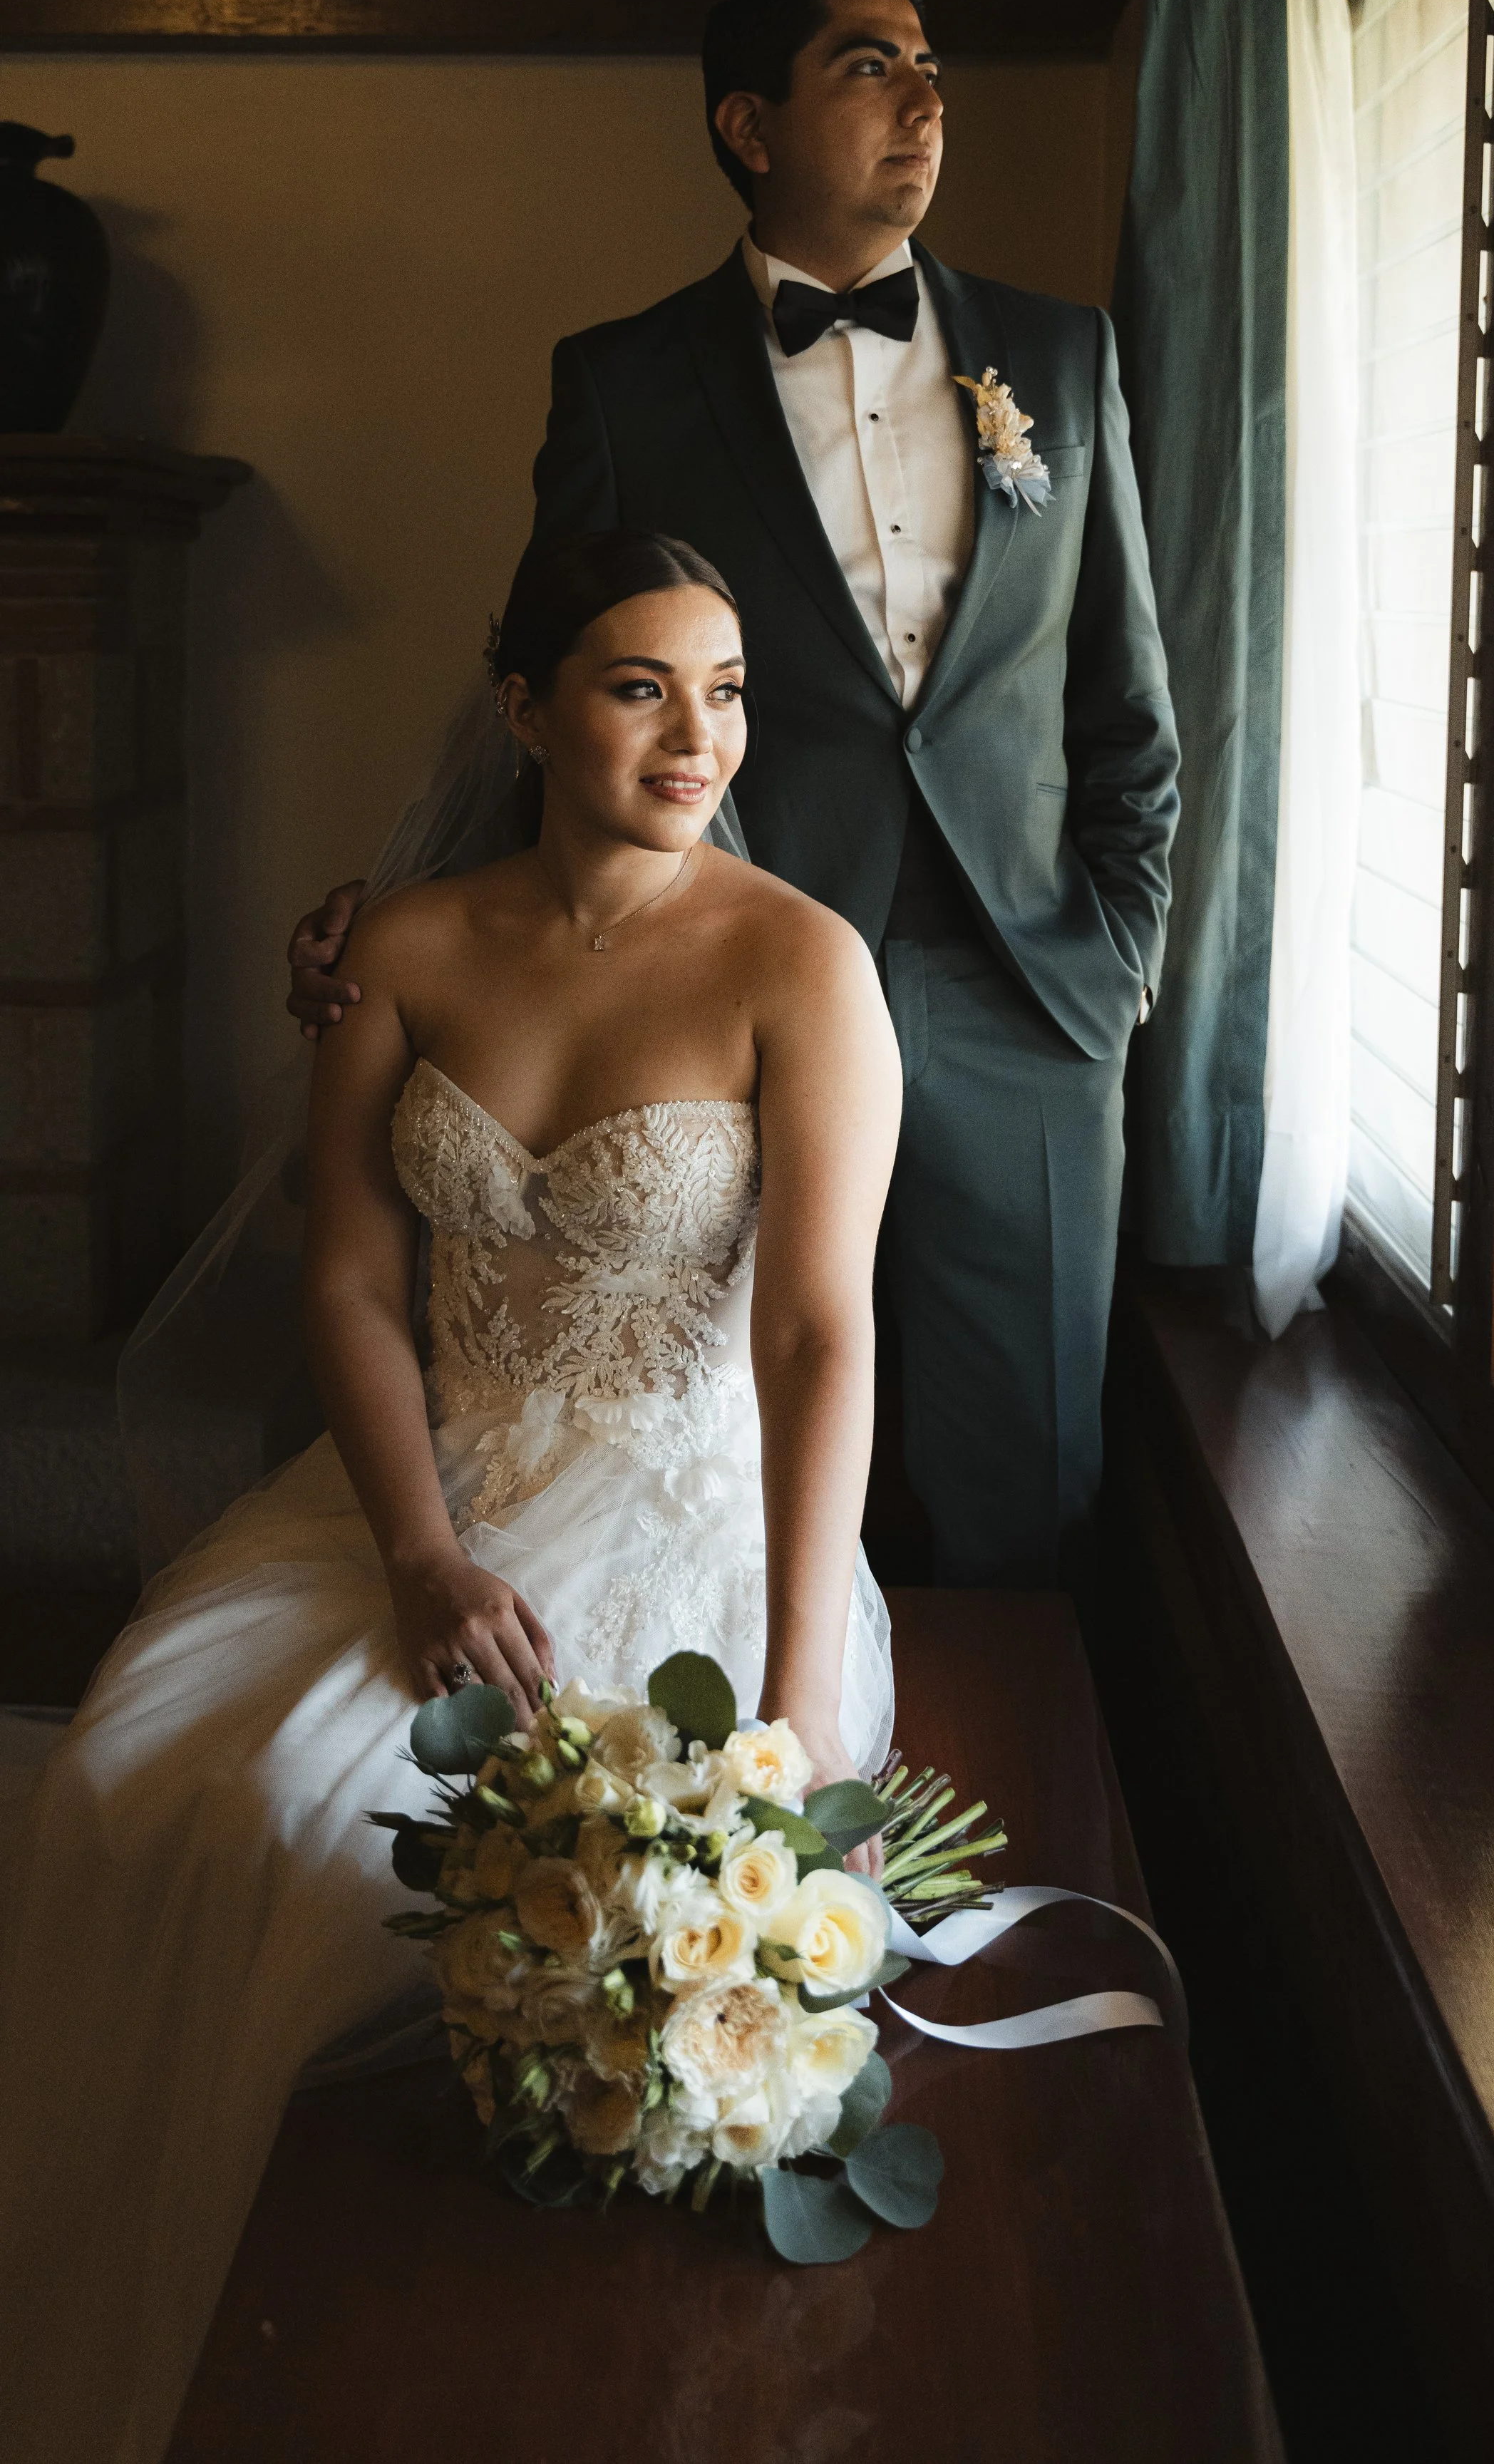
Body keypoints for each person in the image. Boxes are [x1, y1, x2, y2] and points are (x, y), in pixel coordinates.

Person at [0, 530, 900, 2464]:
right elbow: (346, 1280)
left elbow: (823, 1333)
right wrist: (417, 1549)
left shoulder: (798, 965)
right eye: (639, 685)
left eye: (727, 689)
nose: (698, 734)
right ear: (523, 709)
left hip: (682, 1512)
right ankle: (170, 2341)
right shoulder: (399, 949)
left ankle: (463, 2364)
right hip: (423, 1494)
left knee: (388, 1866)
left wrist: (800, 1698)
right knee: (137, 1780)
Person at [289, 0, 1180, 1594]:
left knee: (1021, 1467)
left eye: (930, 66)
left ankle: (957, 1762)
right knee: (730, 1444)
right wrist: (399, 917)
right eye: (868, 65)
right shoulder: (623, 382)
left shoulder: (1058, 360)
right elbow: (561, 689)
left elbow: (1125, 705)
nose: (924, 99)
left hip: (1026, 990)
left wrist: (1118, 953)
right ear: (748, 127)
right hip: (725, 990)